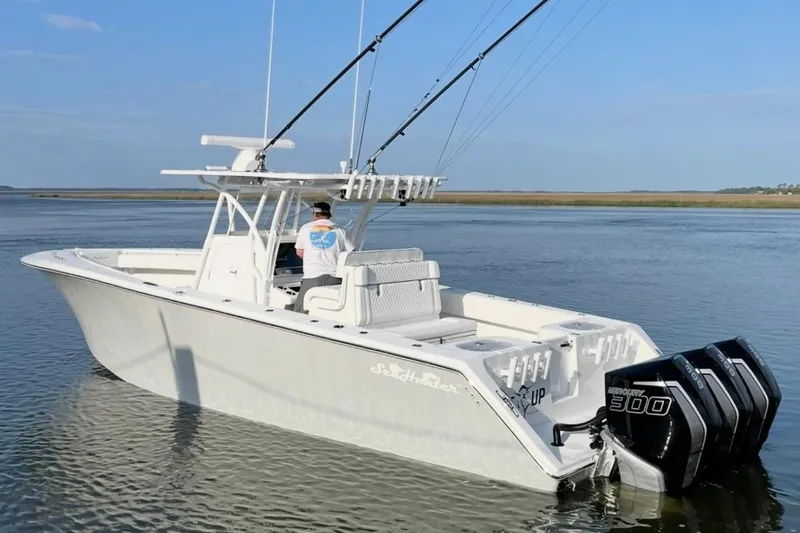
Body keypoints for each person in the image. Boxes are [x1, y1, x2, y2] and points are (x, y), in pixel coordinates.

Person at [293, 201, 354, 313]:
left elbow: (299, 252)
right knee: (330, 310)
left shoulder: (305, 228)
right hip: (335, 277)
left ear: (315, 214)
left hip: (312, 276)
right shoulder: (340, 230)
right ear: (329, 214)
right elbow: (351, 253)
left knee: (301, 311)